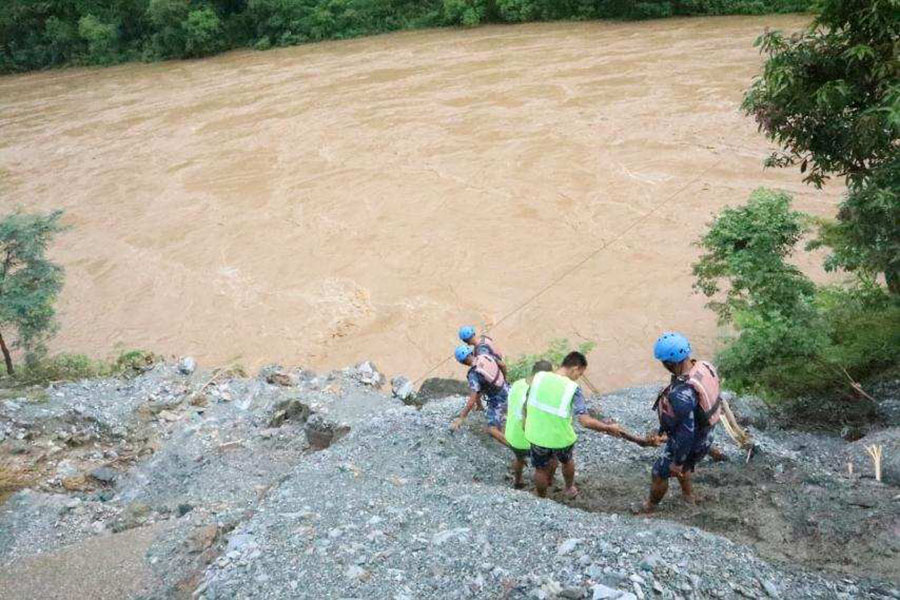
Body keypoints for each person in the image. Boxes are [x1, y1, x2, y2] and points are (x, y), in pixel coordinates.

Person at [522, 351, 626, 498]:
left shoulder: (539, 377)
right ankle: (569, 488)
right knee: (567, 460)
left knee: (540, 469)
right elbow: (585, 420)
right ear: (575, 368)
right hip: (560, 438)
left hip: (536, 435)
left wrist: (525, 424)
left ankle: (541, 497)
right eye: (580, 374)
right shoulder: (572, 388)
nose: (578, 378)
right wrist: (608, 427)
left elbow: (527, 403)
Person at [639, 332, 722, 513]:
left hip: (694, 441)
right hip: (707, 433)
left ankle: (650, 507)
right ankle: (688, 495)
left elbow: (686, 433)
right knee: (685, 464)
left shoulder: (682, 394)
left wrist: (677, 461)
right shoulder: (702, 367)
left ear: (670, 363)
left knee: (659, 473)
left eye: (663, 362)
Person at [505, 360, 553, 490]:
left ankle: (518, 481)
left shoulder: (517, 384)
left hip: (512, 436)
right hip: (528, 439)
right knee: (548, 461)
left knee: (519, 458)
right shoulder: (538, 392)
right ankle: (547, 482)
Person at [450, 345, 509, 447]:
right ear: (471, 353)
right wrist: (504, 380)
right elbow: (503, 365)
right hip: (508, 389)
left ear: (463, 362)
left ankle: (517, 449)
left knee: (491, 429)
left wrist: (461, 418)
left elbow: (472, 399)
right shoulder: (485, 356)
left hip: (498, 401)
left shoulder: (473, 374)